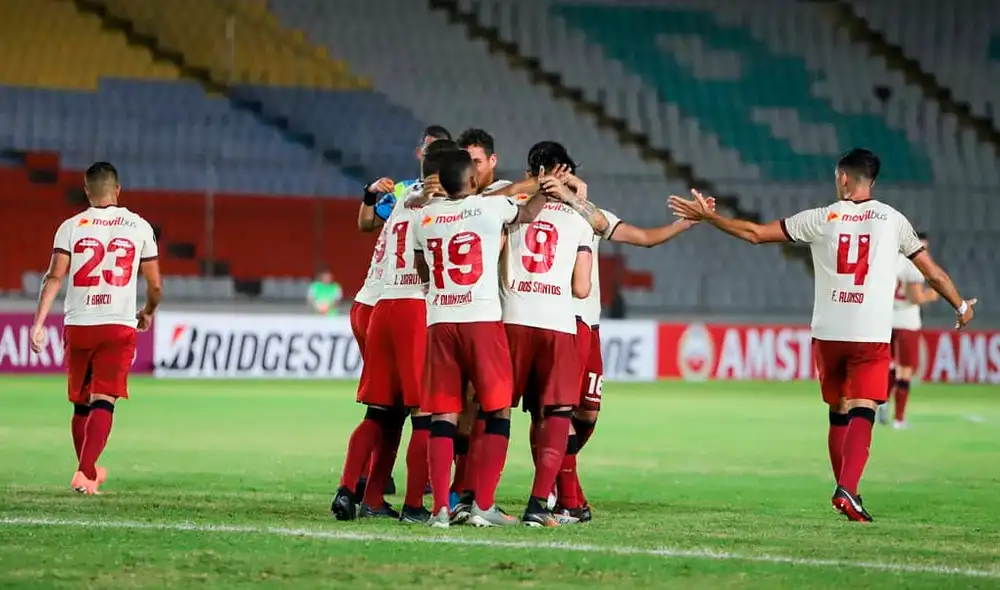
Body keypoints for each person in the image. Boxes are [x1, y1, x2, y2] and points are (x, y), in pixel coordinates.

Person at [669, 148, 975, 522]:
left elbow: (754, 234)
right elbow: (933, 274)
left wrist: (709, 216)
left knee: (838, 411)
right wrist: (961, 306)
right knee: (866, 407)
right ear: (871, 181)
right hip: (869, 332)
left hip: (828, 332)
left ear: (843, 178)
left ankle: (849, 491)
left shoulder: (821, 218)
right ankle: (848, 488)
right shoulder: (894, 221)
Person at [519, 143, 704, 523]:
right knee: (553, 413)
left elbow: (644, 238)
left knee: (584, 414)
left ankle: (556, 485)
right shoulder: (525, 208)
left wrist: (684, 225)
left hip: (587, 325)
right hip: (556, 321)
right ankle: (570, 498)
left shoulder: (587, 216)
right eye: (566, 171)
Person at [413, 149, 551, 528]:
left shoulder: (422, 218)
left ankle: (440, 508)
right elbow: (525, 213)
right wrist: (545, 188)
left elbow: (420, 264)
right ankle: (483, 505)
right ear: (473, 181)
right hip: (481, 319)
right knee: (497, 408)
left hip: (440, 320)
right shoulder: (490, 209)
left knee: (443, 413)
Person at [332, 139, 462, 523]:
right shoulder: (445, 207)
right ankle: (413, 505)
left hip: (383, 306)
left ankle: (354, 491)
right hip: (415, 308)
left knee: (381, 413)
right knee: (426, 414)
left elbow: (366, 222)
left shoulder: (405, 199)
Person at [29, 161, 162, 495]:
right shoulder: (140, 226)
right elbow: (155, 286)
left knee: (81, 403)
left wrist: (39, 323)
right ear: (118, 190)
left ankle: (87, 472)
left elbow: (54, 277)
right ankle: (85, 472)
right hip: (117, 324)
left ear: (87, 191)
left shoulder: (71, 226)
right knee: (104, 400)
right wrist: (147, 311)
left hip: (80, 323)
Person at [501, 163, 595, 526]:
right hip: (557, 323)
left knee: (494, 410)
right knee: (555, 415)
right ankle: (539, 504)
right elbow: (582, 288)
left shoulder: (512, 209)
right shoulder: (580, 220)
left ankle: (474, 499)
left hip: (512, 317)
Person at [880, 232, 938, 428]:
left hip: (886, 319)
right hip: (906, 321)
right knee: (905, 370)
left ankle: (882, 402)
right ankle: (899, 419)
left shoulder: (891, 261)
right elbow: (915, 298)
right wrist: (931, 295)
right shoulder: (914, 265)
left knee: (890, 366)